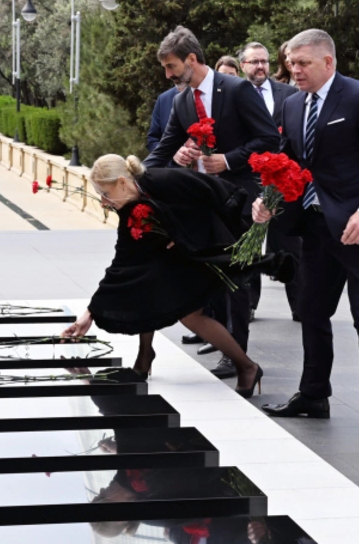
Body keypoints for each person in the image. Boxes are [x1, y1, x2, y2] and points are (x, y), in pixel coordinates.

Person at [252, 29, 359, 443]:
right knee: (312, 312)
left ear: (328, 62)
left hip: (358, 229)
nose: (293, 70)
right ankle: (315, 395)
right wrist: (267, 200)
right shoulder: (292, 102)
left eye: (302, 63)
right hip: (314, 227)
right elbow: (287, 160)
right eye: (291, 63)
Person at [60, 154, 266, 396]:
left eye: (105, 194)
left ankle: (248, 367)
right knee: (144, 283)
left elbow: (219, 194)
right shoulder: (128, 205)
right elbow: (123, 261)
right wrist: (90, 313)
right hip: (178, 249)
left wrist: (182, 236)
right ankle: (145, 356)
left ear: (122, 183)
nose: (104, 202)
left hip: (209, 240)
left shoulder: (166, 180)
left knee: (191, 315)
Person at [144, 27, 280, 380]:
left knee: (236, 281)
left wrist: (229, 160)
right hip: (204, 203)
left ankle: (238, 356)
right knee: (211, 278)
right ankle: (226, 348)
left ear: (192, 59)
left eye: (172, 66)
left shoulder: (237, 89)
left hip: (241, 201)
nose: (168, 75)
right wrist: (131, 179)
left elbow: (268, 139)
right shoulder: (181, 101)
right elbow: (163, 150)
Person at [240, 41, 301, 320]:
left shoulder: (289, 94)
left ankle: (300, 305)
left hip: (282, 179)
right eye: (254, 62)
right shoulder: (234, 95)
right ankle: (249, 304)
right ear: (243, 66)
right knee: (248, 241)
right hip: (246, 178)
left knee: (288, 242)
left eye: (264, 61)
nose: (260, 66)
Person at [146, 84, 183, 153]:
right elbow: (152, 141)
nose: (168, 76)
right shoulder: (164, 99)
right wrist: (171, 153)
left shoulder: (208, 94)